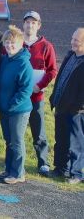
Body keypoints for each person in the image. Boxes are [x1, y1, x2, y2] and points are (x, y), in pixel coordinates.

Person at [22, 11, 57, 177]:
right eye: (27, 22)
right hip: (19, 98)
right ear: (23, 24)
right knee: (16, 131)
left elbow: (52, 71)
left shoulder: (46, 46)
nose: (30, 25)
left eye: (33, 22)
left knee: (39, 131)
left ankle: (43, 162)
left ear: (38, 25)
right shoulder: (16, 43)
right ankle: (15, 160)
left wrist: (39, 85)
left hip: (36, 97)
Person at [0, 25, 34, 184]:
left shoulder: (23, 63)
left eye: (12, 43)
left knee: (17, 141)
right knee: (8, 140)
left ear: (20, 44)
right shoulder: (5, 59)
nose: (9, 45)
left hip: (18, 110)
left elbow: (26, 90)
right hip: (5, 108)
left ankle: (18, 173)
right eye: (6, 42)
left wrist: (12, 105)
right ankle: (8, 169)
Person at [50, 28, 84, 184]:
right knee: (61, 139)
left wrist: (79, 106)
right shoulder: (70, 55)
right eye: (72, 38)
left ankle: (76, 173)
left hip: (77, 111)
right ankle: (60, 169)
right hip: (61, 106)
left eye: (76, 40)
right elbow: (61, 77)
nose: (72, 42)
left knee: (76, 143)